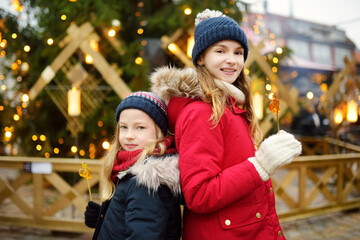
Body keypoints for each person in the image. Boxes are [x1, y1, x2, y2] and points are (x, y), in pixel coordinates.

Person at [150, 9, 302, 240]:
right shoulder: (201, 112)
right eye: (220, 51)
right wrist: (259, 166)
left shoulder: (234, 106)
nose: (232, 60)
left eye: (238, 52)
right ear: (201, 57)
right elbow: (199, 194)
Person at [84, 91, 182, 240]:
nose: (129, 135)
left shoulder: (147, 182)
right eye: (124, 127)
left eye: (140, 127)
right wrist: (105, 217)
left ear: (158, 132)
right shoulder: (131, 171)